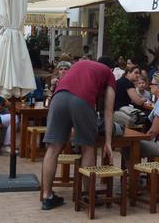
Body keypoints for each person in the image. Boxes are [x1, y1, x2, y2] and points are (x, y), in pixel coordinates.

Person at [41, 60, 116, 210]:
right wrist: (108, 141)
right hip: (81, 100)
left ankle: (47, 196)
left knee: (53, 148)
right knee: (88, 147)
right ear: (112, 69)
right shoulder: (109, 75)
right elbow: (108, 111)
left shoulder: (80, 64)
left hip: (58, 98)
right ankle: (88, 196)